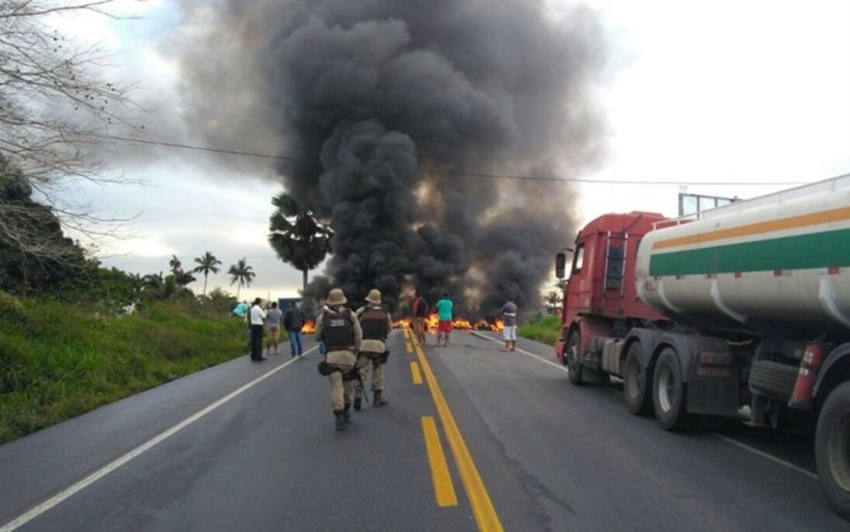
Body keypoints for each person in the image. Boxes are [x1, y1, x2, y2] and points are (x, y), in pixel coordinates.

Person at [315, 288, 362, 431]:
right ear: (342, 300)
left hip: (332, 358)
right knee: (347, 387)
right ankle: (346, 411)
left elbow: (317, 336)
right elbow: (358, 336)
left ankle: (339, 416)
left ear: (330, 301)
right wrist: (356, 351)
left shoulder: (323, 317)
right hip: (348, 357)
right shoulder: (351, 315)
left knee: (336, 387)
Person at [355, 289, 394, 409]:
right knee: (378, 371)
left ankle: (358, 395)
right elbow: (389, 329)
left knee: (361, 371)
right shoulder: (385, 312)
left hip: (364, 346)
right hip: (378, 346)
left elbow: (355, 327)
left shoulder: (361, 311)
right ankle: (377, 398)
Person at [249, 297, 267, 361]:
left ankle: (253, 355)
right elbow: (264, 316)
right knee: (258, 342)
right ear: (259, 302)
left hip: (253, 325)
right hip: (259, 325)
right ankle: (258, 356)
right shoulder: (259, 309)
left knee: (254, 341)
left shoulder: (252, 309)